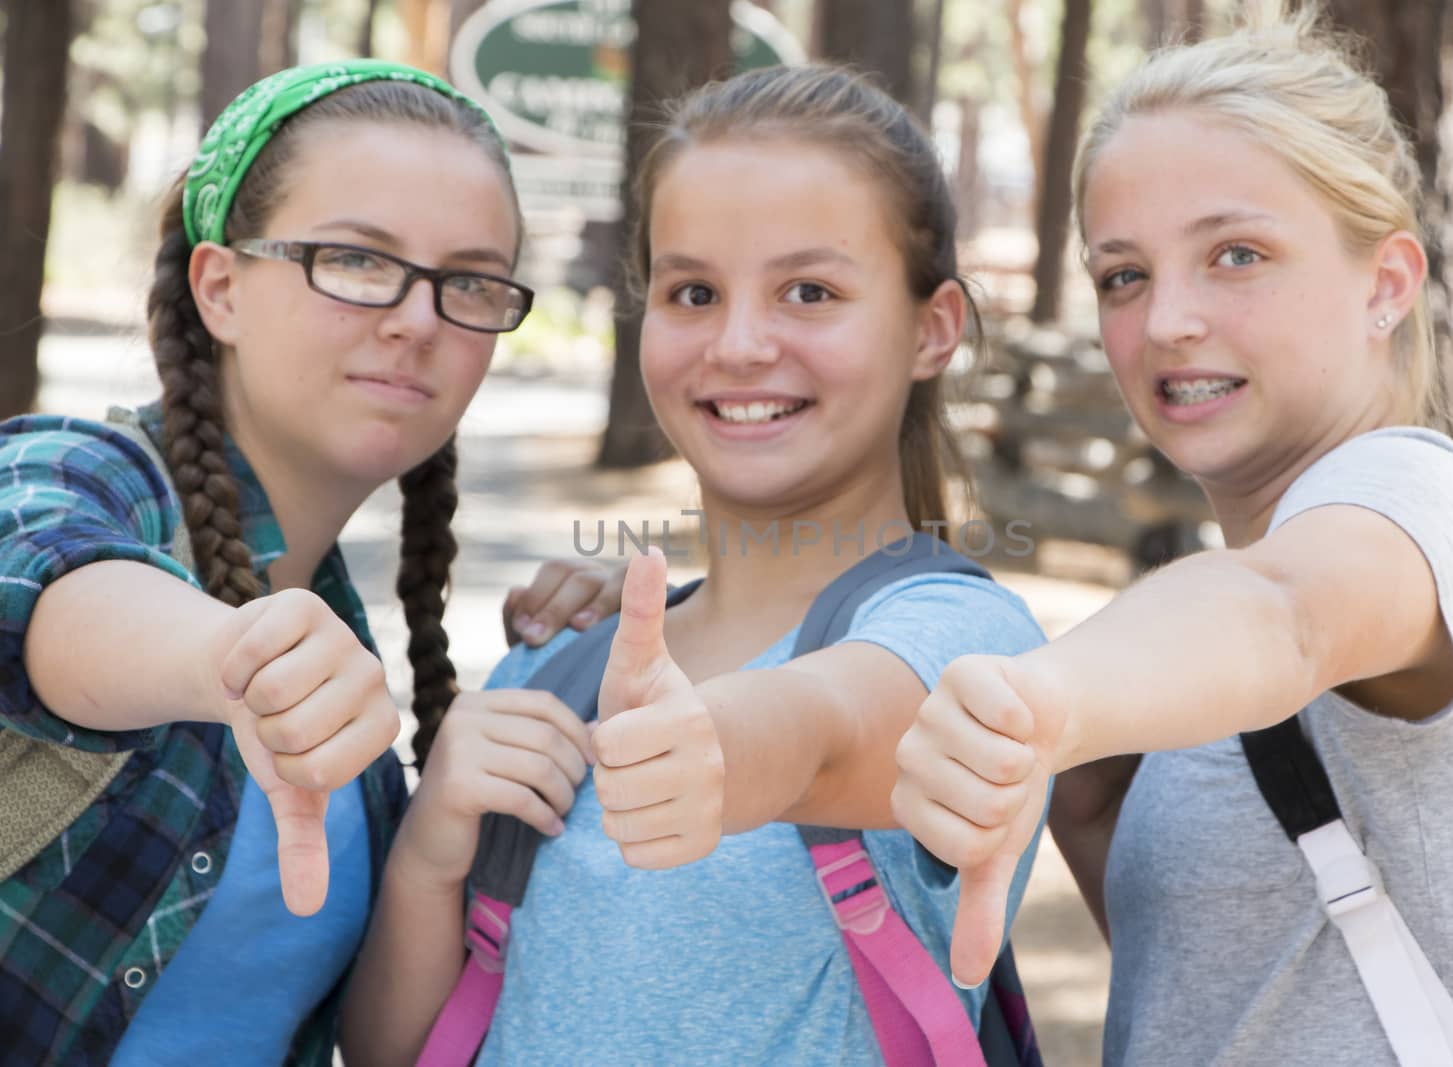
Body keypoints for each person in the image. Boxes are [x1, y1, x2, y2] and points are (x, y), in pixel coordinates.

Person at [891, 7, 1453, 1064]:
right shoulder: (1210, 630)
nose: (1166, 318)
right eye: (1123, 274)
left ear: (1386, 285)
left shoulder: (1421, 495)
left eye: (1235, 254)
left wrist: (1046, 701)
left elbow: (1287, 614)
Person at [341, 64, 1049, 1066]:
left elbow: (827, 727)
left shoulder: (965, 643)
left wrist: (713, 738)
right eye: (692, 291)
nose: (740, 342)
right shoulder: (557, 671)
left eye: (810, 290)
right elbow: (390, 1050)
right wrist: (430, 842)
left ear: (931, 329)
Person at [0, 60, 618, 1067]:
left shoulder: (352, 695)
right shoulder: (84, 474)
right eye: (357, 259)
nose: (417, 317)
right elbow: (43, 580)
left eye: (467, 279)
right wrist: (233, 658)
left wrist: (487, 757)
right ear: (221, 288)